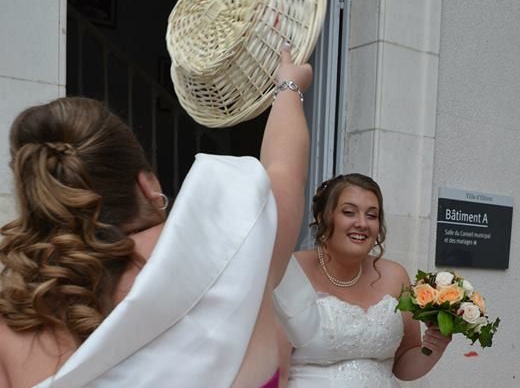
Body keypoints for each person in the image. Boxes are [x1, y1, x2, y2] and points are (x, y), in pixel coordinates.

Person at [0, 45, 311, 388]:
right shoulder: (240, 243)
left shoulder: (14, 317)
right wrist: (288, 86)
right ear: (146, 184)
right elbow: (285, 167)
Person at [273, 174, 451, 387]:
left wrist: (433, 347)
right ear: (323, 216)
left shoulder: (395, 276)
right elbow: (276, 372)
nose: (362, 224)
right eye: (349, 212)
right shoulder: (290, 272)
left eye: (372, 215)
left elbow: (403, 364)